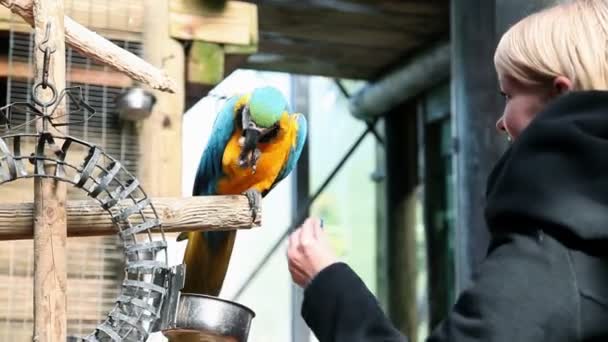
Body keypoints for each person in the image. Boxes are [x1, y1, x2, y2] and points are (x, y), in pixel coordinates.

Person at [286, 0, 608, 341]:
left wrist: (326, 281)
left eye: (508, 94)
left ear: (560, 96)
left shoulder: (550, 262)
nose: (500, 122)